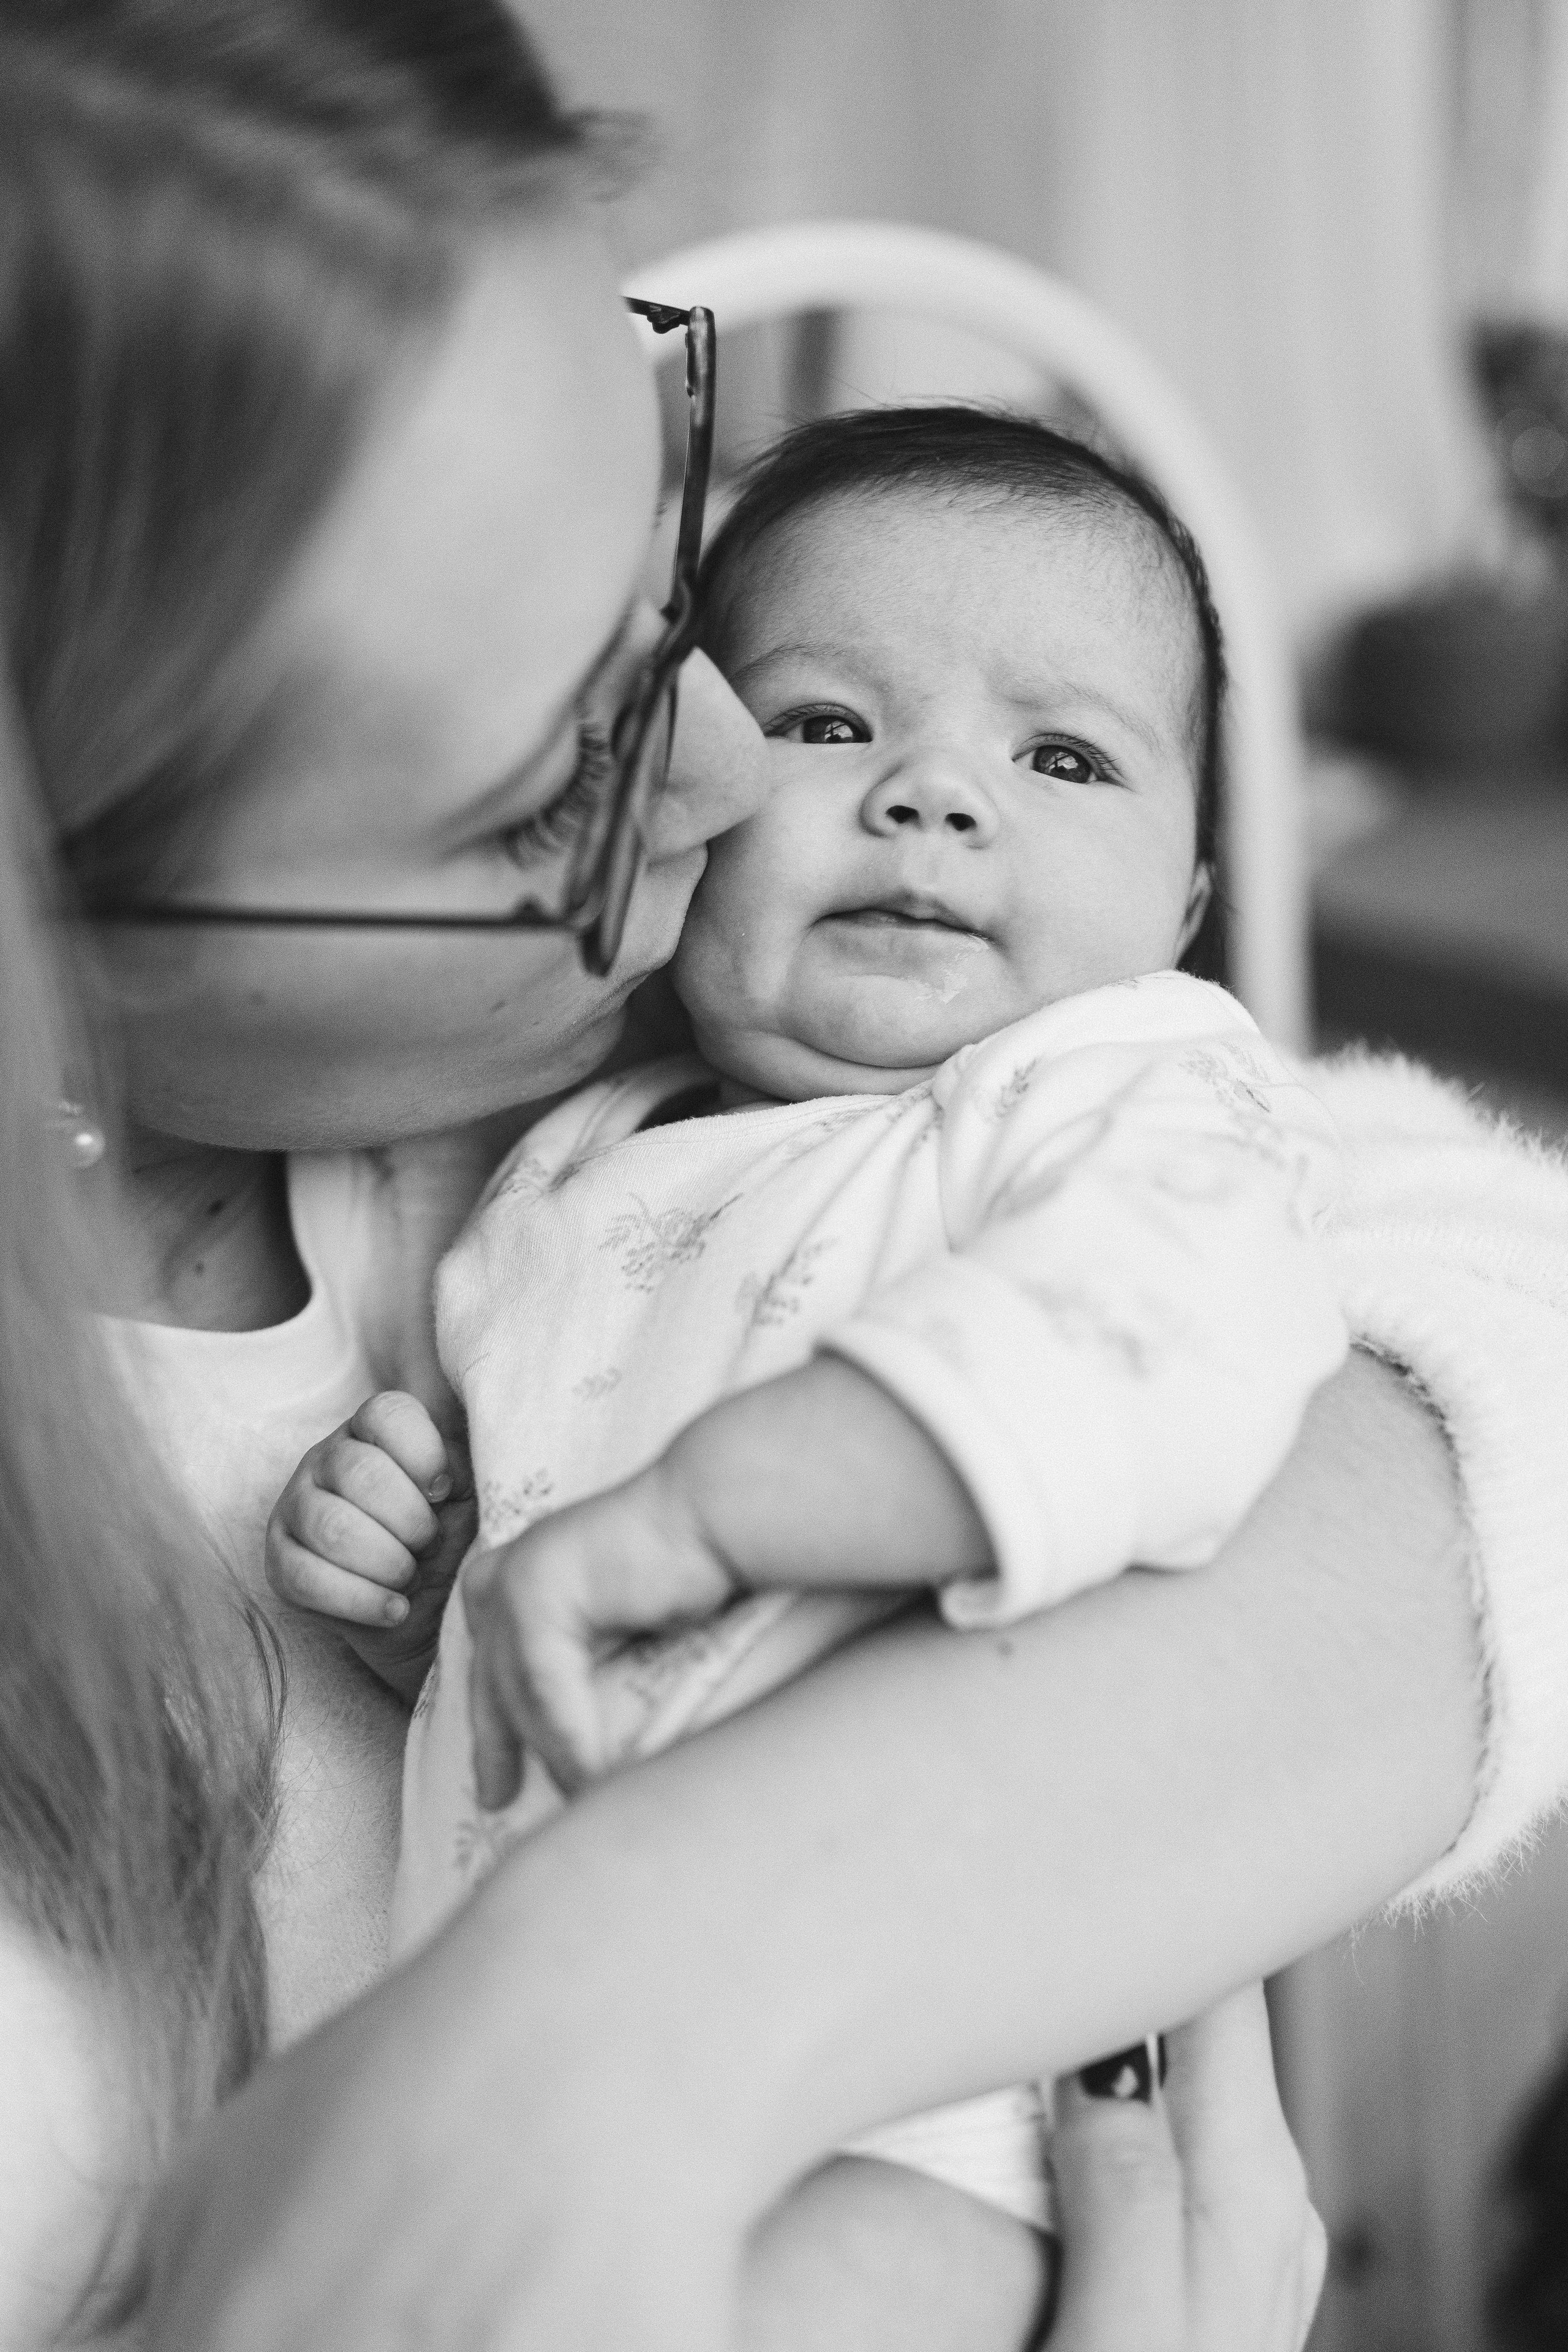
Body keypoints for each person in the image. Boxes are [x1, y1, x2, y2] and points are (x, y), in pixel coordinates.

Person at [1, 4, 1566, 2346]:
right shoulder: (583, 1155)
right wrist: (475, 1605)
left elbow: (1461, 1299)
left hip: (938, 2131)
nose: (745, 762)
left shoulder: (877, 1080)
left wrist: (641, 1989)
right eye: (568, 777)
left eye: (661, 579)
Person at [265, 405, 1349, 2246]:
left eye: (1065, 755)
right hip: (519, 2050)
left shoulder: (1129, 1089)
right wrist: (441, 1583)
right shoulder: (576, 1167)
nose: (934, 792)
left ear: (1182, 909)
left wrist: (705, 1517)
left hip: (933, 2069)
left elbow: (1171, 1352)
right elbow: (557, 1601)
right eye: (829, 725)